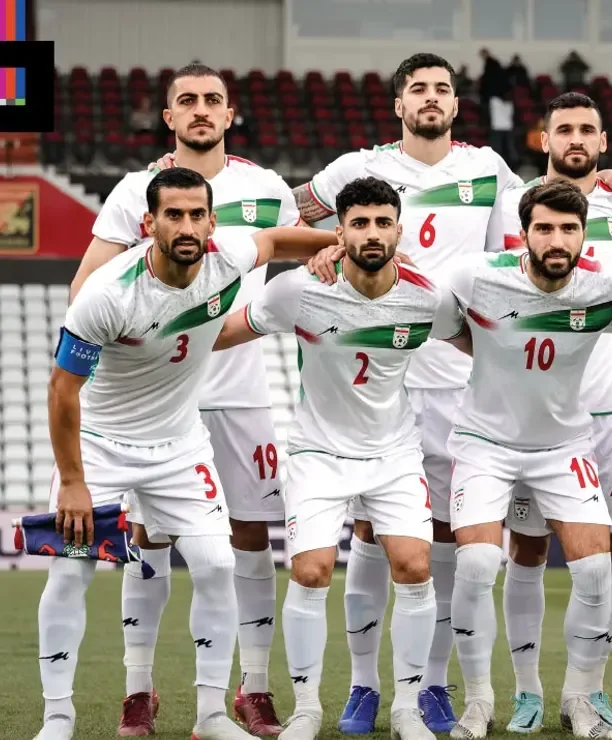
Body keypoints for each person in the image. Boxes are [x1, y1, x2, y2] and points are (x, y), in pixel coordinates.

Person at [291, 52, 612, 735]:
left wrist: (599, 178)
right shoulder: (357, 168)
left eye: (442, 89)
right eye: (417, 89)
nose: (430, 98)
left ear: (456, 104)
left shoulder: (487, 169)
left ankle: (434, 685)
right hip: (384, 378)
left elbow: (546, 203)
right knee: (371, 535)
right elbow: (287, 209)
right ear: (398, 103)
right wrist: (323, 245)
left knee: (450, 549)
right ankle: (364, 686)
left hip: (462, 382)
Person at [36, 167, 339, 740]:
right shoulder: (107, 293)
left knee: (218, 564)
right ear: (149, 223)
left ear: (212, 221)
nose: (186, 225)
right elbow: (61, 390)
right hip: (101, 447)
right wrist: (73, 481)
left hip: (179, 444)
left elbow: (275, 240)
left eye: (197, 214)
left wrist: (339, 244)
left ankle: (211, 715)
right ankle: (58, 717)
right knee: (71, 570)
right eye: (173, 215)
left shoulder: (227, 257)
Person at [69, 63, 301, 736]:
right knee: (151, 537)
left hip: (240, 392)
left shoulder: (268, 188)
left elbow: (310, 249)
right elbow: (85, 292)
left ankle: (252, 689)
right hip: (157, 400)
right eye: (188, 101)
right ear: (168, 117)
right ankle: (138, 691)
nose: (202, 109)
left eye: (213, 100)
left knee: (250, 537)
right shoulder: (135, 190)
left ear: (230, 114)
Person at [211, 178, 463, 740]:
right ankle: (307, 710)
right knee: (310, 571)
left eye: (382, 222)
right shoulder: (298, 290)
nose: (372, 233)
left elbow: (479, 342)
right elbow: (226, 332)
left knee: (415, 567)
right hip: (317, 452)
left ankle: (406, 707)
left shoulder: (428, 297)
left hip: (393, 451)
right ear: (339, 232)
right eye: (359, 223)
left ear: (399, 230)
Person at [441, 180, 612, 739]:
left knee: (595, 568)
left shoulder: (610, 283)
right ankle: (480, 701)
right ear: (523, 233)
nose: (556, 240)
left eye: (568, 229)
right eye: (544, 228)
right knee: (478, 563)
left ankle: (579, 698)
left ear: (584, 235)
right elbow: (418, 300)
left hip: (563, 447)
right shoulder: (476, 276)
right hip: (485, 444)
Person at [492, 92, 612, 733]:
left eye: (587, 130)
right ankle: (527, 690)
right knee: (525, 548)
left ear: (603, 142)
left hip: (607, 404)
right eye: (564, 130)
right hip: (533, 408)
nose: (575, 139)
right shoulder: (511, 203)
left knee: (602, 551)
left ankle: (588, 690)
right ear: (543, 138)